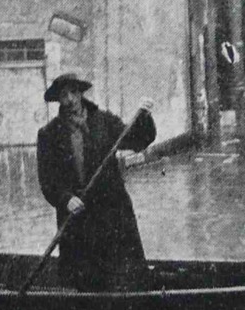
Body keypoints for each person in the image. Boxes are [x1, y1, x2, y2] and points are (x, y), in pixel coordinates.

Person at [35, 74, 157, 292]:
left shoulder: (104, 122)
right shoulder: (49, 134)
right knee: (84, 281)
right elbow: (47, 181)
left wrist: (144, 116)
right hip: (77, 219)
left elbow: (139, 140)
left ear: (81, 93)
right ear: (58, 100)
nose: (70, 99)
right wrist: (66, 199)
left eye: (74, 92)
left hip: (112, 214)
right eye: (64, 95)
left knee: (122, 275)